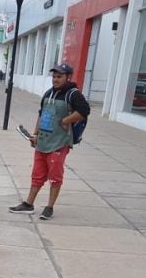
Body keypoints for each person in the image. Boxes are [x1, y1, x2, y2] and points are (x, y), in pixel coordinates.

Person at [9, 63, 90, 220]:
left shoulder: (73, 94)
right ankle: (28, 204)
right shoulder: (48, 93)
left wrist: (67, 120)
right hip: (43, 141)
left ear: (68, 77)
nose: (55, 79)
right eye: (54, 76)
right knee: (37, 174)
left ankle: (49, 207)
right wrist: (35, 134)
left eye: (59, 76)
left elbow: (84, 111)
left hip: (60, 142)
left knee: (55, 175)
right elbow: (42, 114)